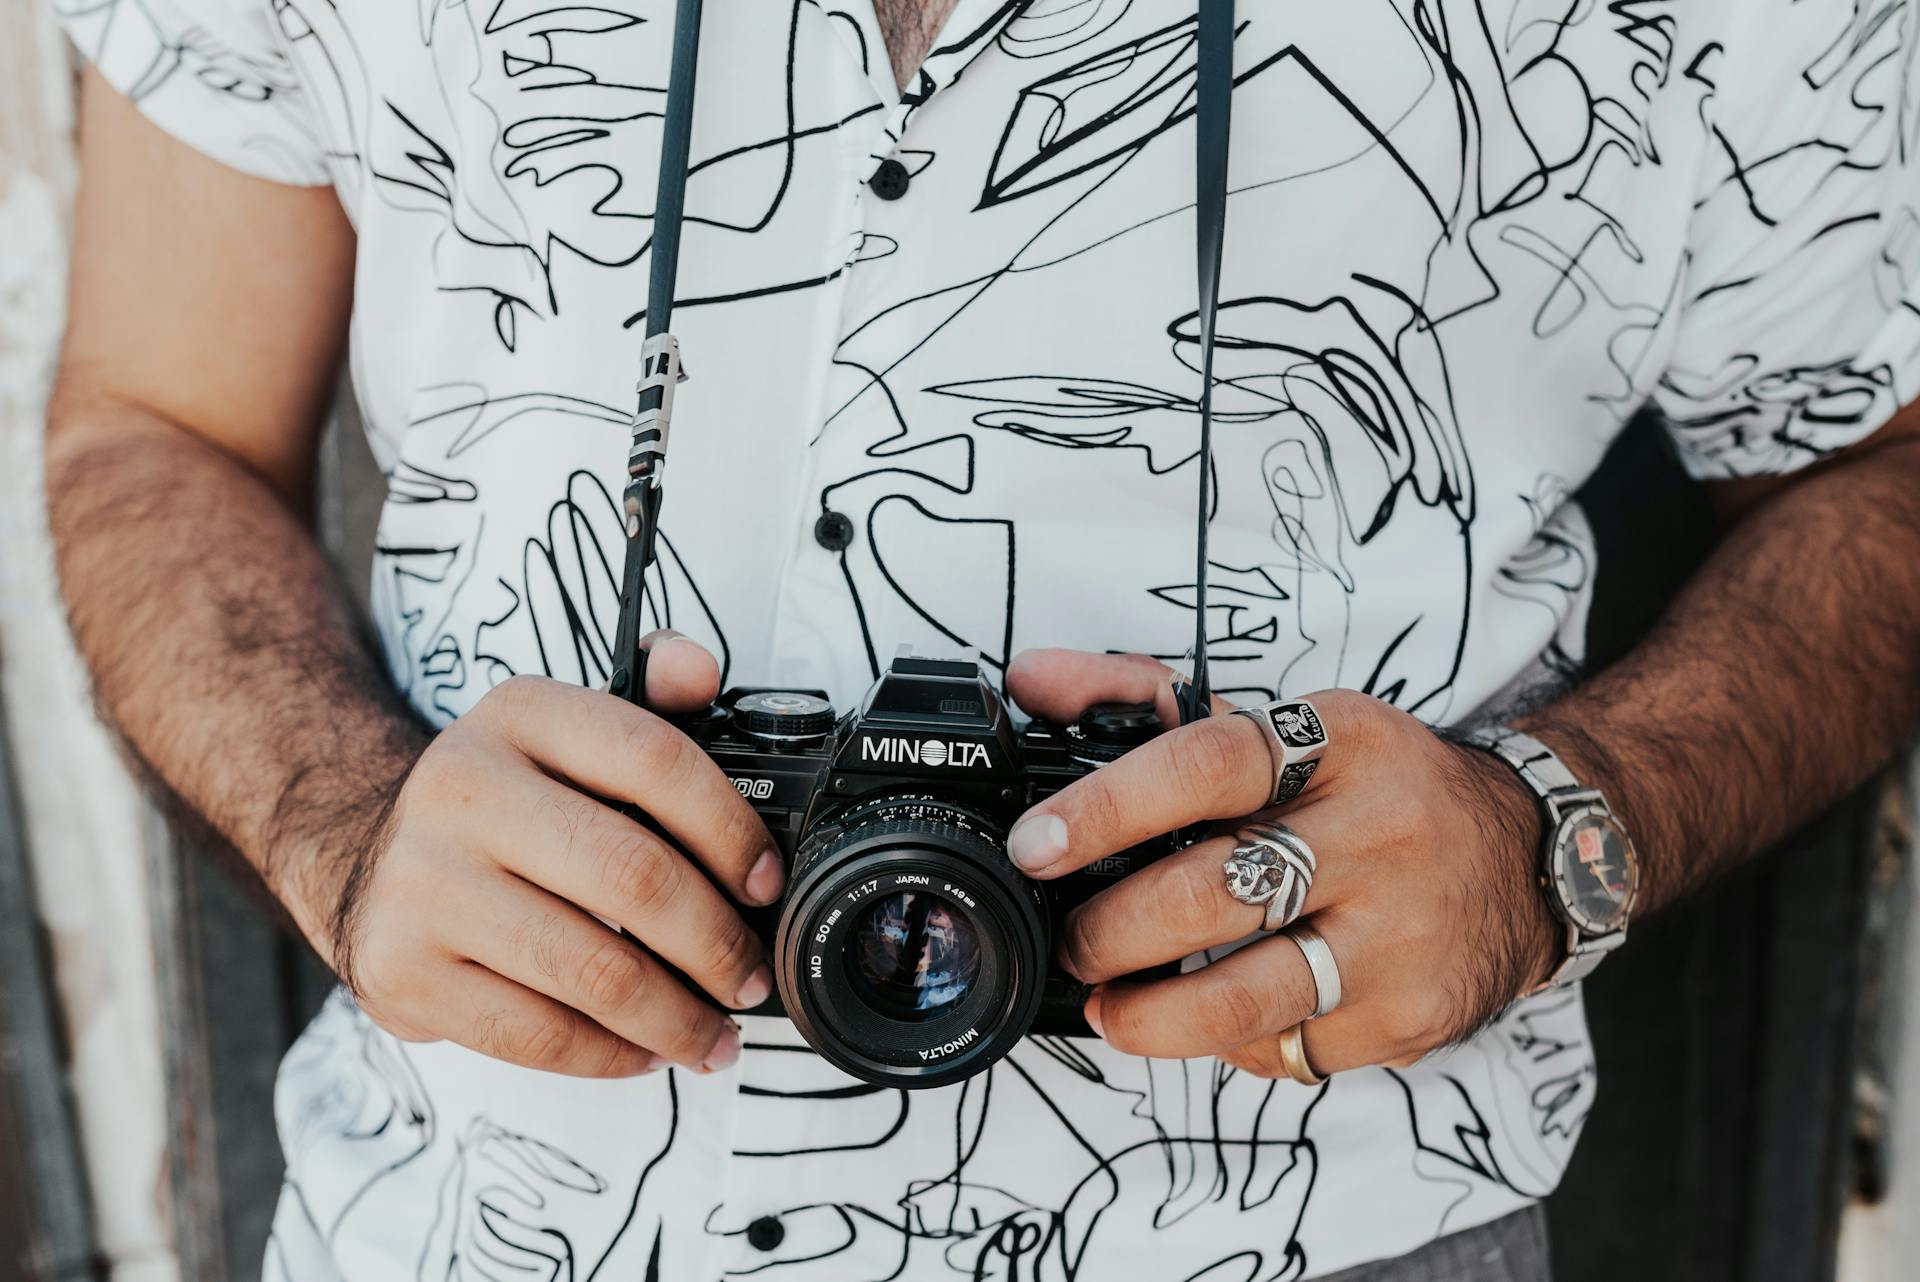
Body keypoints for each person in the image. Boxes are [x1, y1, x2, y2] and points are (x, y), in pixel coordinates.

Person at [42, 1, 1920, 1278]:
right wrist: (352, 820)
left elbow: (1889, 461)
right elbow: (154, 420)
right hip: (471, 1222)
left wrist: (1557, 835)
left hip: (1339, 1229)